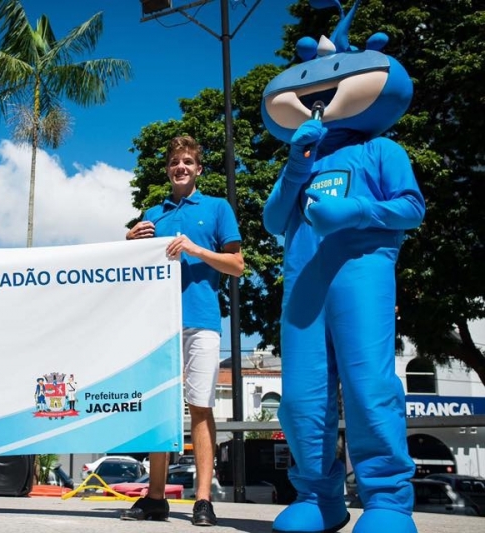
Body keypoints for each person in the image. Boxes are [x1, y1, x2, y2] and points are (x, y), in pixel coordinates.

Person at [260, 2, 424, 532]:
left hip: (362, 275)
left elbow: (411, 208)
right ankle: (319, 497)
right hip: (303, 287)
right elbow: (271, 221)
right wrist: (292, 167)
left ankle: (387, 502)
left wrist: (355, 211)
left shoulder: (382, 149)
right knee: (303, 394)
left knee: (366, 383)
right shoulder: (301, 160)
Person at [122, 135, 244, 526]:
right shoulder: (152, 213)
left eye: (188, 162)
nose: (181, 168)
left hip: (202, 321)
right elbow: (129, 270)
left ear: (199, 169)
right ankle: (155, 497)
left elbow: (237, 265)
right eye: (176, 162)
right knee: (159, 409)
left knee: (201, 408)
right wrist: (127, 242)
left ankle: (203, 500)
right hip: (157, 326)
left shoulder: (218, 208)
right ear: (168, 169)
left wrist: (195, 249)